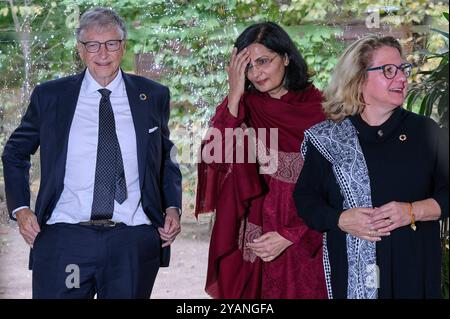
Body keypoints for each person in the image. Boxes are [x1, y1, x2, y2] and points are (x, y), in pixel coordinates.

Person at [1, 7, 182, 299]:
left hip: (132, 240)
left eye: (111, 43)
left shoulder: (152, 96)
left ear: (123, 46)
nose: (102, 53)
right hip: (65, 240)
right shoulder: (51, 97)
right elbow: (15, 152)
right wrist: (21, 210)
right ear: (80, 49)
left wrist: (172, 206)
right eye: (92, 45)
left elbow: (164, 157)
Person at [293, 35, 449, 299]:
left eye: (403, 69)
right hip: (352, 279)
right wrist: (340, 219)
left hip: (414, 275)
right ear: (359, 77)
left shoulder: (425, 132)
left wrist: (412, 211)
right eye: (389, 70)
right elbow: (306, 199)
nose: (401, 78)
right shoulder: (330, 138)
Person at [195, 22, 327, 299]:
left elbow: (339, 186)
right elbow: (213, 158)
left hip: (308, 232)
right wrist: (233, 95)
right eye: (248, 67)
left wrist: (293, 234)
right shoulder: (244, 106)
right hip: (257, 232)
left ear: (287, 57)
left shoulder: (322, 108)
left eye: (264, 61)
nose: (256, 73)